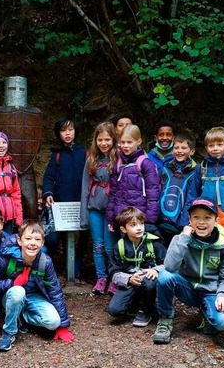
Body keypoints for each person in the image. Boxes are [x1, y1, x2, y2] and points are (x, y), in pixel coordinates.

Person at [153, 197, 224, 344]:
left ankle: (207, 312)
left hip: (211, 292)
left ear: (216, 220)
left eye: (207, 218)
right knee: (165, 276)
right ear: (189, 220)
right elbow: (170, 267)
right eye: (196, 217)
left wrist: (223, 295)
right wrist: (184, 237)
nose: (201, 222)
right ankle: (165, 318)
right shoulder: (181, 239)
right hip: (187, 288)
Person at [0, 220, 74, 352]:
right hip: (11, 296)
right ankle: (9, 332)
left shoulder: (45, 262)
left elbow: (54, 290)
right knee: (18, 292)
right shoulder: (6, 258)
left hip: (33, 296)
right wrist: (13, 283)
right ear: (20, 241)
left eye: (37, 239)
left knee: (53, 322)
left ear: (42, 243)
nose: (32, 243)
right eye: (28, 238)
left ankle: (23, 318)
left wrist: (63, 325)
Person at [42, 118, 89, 278]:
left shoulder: (84, 152)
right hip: (61, 202)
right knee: (59, 236)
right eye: (63, 130)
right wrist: (48, 193)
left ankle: (77, 261)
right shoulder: (57, 155)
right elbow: (49, 177)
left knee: (84, 233)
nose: (67, 133)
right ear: (58, 134)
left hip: (82, 202)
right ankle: (58, 264)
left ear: (76, 131)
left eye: (70, 129)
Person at [106, 124, 161, 256]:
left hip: (139, 219)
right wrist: (111, 218)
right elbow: (113, 193)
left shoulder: (145, 163)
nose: (125, 146)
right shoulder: (118, 164)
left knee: (142, 250)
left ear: (139, 141)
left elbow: (153, 193)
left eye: (129, 142)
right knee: (124, 249)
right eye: (122, 142)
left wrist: (149, 220)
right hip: (123, 217)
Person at [107, 207, 166, 327]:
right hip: (131, 282)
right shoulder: (119, 247)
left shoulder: (153, 243)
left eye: (141, 223)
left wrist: (155, 270)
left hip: (150, 281)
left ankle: (146, 310)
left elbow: (169, 264)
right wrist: (128, 279)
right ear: (124, 229)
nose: (139, 228)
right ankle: (135, 305)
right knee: (115, 310)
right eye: (133, 225)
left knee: (149, 282)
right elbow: (113, 272)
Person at [80, 122, 119, 295]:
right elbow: (84, 187)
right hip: (95, 207)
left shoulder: (118, 159)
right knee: (97, 245)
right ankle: (101, 277)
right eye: (100, 139)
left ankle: (113, 278)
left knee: (110, 247)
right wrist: (83, 215)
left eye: (107, 139)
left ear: (114, 139)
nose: (104, 143)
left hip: (112, 209)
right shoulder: (91, 159)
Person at [157, 133, 198, 245]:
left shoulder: (196, 172)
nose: (179, 151)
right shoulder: (165, 170)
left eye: (184, 148)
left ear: (192, 151)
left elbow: (192, 198)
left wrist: (184, 222)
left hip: (181, 223)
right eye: (176, 148)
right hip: (161, 220)